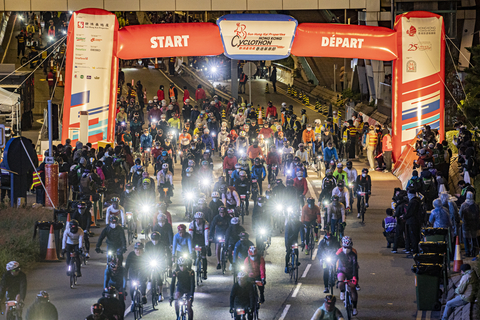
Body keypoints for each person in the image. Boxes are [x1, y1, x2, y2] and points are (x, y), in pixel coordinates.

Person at [337, 236, 358, 316]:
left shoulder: (353, 254)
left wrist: (354, 277)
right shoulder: (339, 252)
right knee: (340, 282)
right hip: (341, 270)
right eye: (345, 247)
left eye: (348, 247)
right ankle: (342, 292)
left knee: (353, 288)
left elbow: (354, 266)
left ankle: (355, 307)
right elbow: (334, 258)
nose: (346, 249)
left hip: (351, 272)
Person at [125, 242, 148, 307]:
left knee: (143, 281)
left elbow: (148, 266)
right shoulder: (131, 255)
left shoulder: (145, 255)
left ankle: (143, 295)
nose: (138, 251)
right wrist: (125, 276)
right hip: (133, 272)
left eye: (140, 249)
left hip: (142, 271)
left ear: (142, 250)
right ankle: (132, 301)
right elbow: (127, 267)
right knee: (132, 286)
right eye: (136, 249)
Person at [400, 189, 423, 255]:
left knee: (413, 236)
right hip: (416, 221)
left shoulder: (413, 202)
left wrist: (404, 216)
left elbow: (410, 212)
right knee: (415, 235)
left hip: (412, 221)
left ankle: (415, 250)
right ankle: (415, 248)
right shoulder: (418, 201)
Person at [189, 212, 209, 280]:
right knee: (193, 251)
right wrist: (191, 245)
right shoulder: (192, 224)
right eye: (197, 219)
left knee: (204, 257)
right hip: (195, 239)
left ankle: (205, 272)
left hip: (202, 239)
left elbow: (206, 235)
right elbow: (190, 235)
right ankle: (195, 258)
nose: (198, 221)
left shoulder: (206, 224)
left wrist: (207, 245)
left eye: (200, 219)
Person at [459, 192, 479, 257]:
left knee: (466, 238)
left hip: (466, 224)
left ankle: (467, 252)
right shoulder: (476, 205)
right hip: (474, 224)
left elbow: (460, 214)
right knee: (474, 238)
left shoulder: (463, 205)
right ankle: (474, 251)